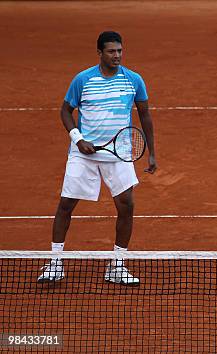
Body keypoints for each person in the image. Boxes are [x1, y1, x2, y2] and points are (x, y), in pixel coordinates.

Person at [38, 31, 157, 286]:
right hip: (84, 154)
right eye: (112, 51)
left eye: (120, 51)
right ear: (100, 53)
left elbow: (145, 115)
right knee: (66, 205)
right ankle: (55, 262)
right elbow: (65, 111)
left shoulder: (134, 80)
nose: (117, 56)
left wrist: (152, 152)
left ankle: (117, 264)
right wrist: (78, 139)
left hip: (119, 153)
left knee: (127, 206)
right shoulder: (83, 80)